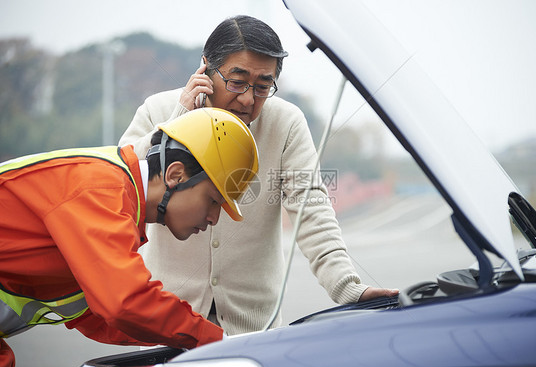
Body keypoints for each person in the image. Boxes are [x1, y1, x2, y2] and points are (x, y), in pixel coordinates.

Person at [119, 15, 399, 336]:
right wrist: (180, 118)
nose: (249, 99)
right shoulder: (160, 109)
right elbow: (124, 181)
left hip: (251, 328)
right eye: (236, 82)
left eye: (263, 86)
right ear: (206, 68)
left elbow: (312, 210)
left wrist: (348, 288)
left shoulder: (286, 123)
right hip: (165, 320)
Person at [0, 108, 259, 367]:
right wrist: (216, 341)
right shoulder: (102, 189)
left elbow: (100, 317)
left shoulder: (121, 205)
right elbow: (124, 302)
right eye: (214, 201)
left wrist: (191, 339)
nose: (214, 218)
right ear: (175, 175)